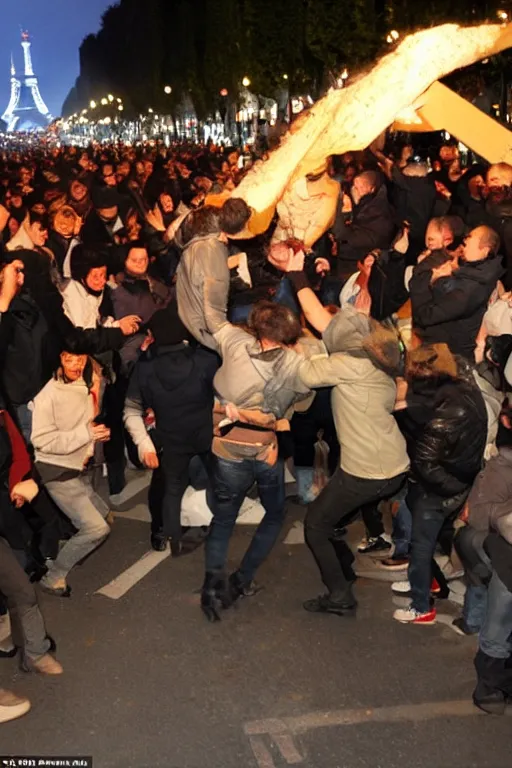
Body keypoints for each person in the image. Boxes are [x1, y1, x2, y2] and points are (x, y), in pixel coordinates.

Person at [284, 253, 409, 614]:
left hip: (365, 471)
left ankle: (339, 595)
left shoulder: (348, 364)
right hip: (394, 465)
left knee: (315, 526)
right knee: (333, 519)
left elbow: (306, 375)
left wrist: (294, 349)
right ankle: (348, 571)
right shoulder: (381, 366)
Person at [201, 301, 313, 621]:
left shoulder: (235, 344)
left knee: (223, 519)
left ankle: (212, 585)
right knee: (275, 513)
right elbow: (301, 408)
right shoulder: (291, 363)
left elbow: (212, 321)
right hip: (264, 450)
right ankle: (243, 578)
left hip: (226, 446)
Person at [392, 344, 487, 624]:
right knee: (415, 525)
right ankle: (425, 581)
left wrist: (449, 489)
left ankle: (422, 607)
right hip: (457, 479)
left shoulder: (441, 415)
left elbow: (426, 463)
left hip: (439, 488)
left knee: (421, 545)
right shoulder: (467, 390)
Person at [124, 304, 217, 553]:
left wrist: (145, 445)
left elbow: (131, 409)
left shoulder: (145, 366)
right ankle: (218, 528)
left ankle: (170, 537)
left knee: (171, 487)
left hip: (169, 437)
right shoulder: (204, 360)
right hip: (204, 432)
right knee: (217, 480)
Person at [31, 349, 111, 597]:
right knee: (97, 528)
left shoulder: (84, 384)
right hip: (57, 471)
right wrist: (86, 436)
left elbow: (84, 426)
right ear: (59, 358)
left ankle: (63, 553)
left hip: (77, 468)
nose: (75, 364)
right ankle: (53, 577)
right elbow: (41, 441)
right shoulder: (49, 394)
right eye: (69, 359)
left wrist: (96, 436)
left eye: (81, 359)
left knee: (104, 515)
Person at [410, 226, 503, 360]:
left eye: (469, 239)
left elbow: (424, 316)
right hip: (443, 345)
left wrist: (430, 278)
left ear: (485, 250)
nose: (464, 243)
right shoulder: (479, 272)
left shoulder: (469, 290)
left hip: (447, 357)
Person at [176, 198, 252, 350]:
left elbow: (177, 239)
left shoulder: (205, 214)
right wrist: (231, 345)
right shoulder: (214, 253)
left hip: (183, 295)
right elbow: (214, 314)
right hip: (199, 328)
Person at [331, 170, 396, 284]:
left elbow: (342, 235)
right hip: (346, 261)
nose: (356, 190)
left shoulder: (378, 214)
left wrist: (341, 209)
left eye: (361, 187)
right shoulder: (362, 204)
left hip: (360, 270)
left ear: (372, 189)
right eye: (355, 186)